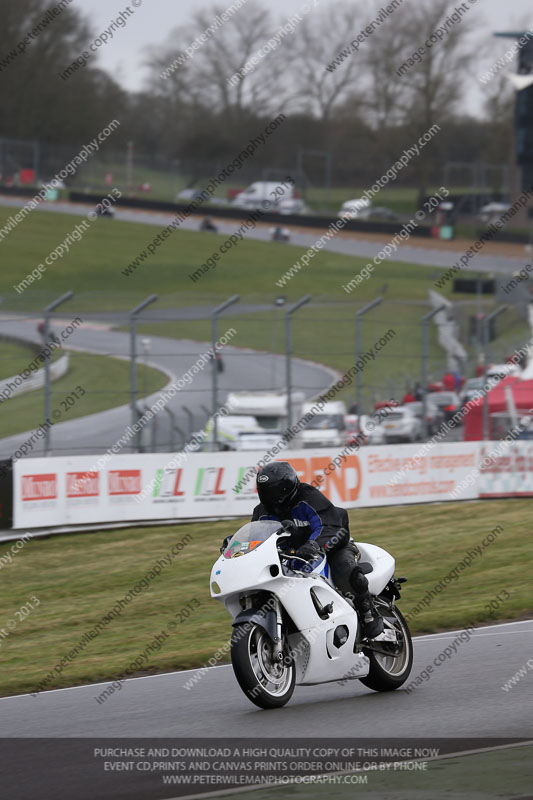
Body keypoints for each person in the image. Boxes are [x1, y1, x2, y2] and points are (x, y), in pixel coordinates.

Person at [223, 462, 384, 639]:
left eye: (274, 491)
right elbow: (256, 537)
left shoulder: (308, 497)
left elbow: (328, 525)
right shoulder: (262, 511)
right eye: (265, 491)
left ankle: (368, 613)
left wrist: (314, 544)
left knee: (345, 569)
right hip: (290, 556)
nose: (270, 496)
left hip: (330, 548)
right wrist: (236, 545)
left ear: (286, 487)